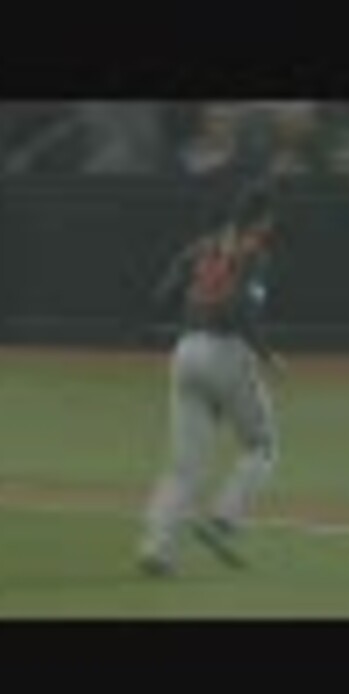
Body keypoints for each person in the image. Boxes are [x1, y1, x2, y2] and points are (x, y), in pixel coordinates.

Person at [138, 181, 283, 576]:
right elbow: (243, 311)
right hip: (227, 352)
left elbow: (163, 295)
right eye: (270, 219)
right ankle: (224, 519)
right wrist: (267, 355)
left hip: (186, 351)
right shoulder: (254, 253)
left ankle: (157, 548)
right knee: (262, 447)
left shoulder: (200, 247)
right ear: (263, 219)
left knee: (184, 465)